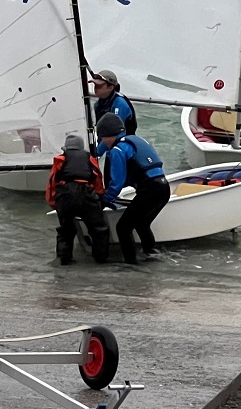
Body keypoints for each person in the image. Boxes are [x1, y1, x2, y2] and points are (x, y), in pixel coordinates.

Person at [96, 112, 169, 264]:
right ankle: (151, 254)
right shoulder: (134, 139)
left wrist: (105, 199)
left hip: (150, 190)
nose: (102, 141)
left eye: (102, 137)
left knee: (123, 228)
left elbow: (117, 182)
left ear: (108, 135)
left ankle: (131, 264)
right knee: (142, 224)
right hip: (163, 187)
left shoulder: (118, 150)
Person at [46, 132, 108, 265]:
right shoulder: (89, 158)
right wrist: (100, 197)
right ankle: (101, 260)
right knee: (99, 229)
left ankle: (64, 261)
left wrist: (53, 203)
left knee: (65, 230)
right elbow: (97, 179)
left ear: (66, 149)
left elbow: (52, 183)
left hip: (65, 195)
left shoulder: (60, 159)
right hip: (85, 193)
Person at [91, 70, 137, 135]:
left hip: (123, 143)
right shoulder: (97, 104)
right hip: (107, 142)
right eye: (95, 85)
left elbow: (116, 133)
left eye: (99, 85)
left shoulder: (119, 104)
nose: (95, 88)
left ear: (110, 87)